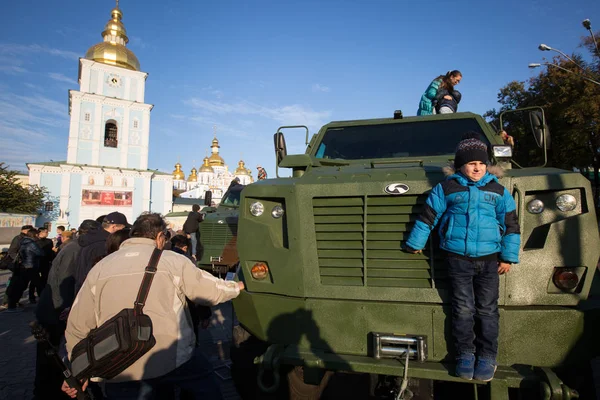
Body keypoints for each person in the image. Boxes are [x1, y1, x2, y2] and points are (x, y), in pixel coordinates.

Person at [62, 213, 244, 399]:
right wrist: (237, 287)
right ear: (159, 236)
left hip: (117, 363)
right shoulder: (172, 261)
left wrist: (78, 368)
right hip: (170, 356)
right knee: (206, 386)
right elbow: (210, 290)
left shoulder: (100, 267)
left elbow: (78, 322)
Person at [404, 133, 520, 382]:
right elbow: (428, 217)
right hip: (458, 259)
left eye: (480, 163)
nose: (476, 167)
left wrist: (508, 257)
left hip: (490, 261)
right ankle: (465, 354)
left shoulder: (498, 190)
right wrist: (416, 242)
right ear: (460, 166)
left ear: (487, 165)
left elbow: (511, 224)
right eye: (471, 163)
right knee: (463, 309)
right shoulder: (447, 188)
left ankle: (488, 356)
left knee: (488, 310)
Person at [33, 221, 95, 400]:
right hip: (54, 311)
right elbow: (64, 281)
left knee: (51, 354)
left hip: (53, 309)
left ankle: (48, 389)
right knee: (50, 355)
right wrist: (65, 308)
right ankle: (45, 392)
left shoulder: (73, 247)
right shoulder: (75, 250)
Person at [74, 211, 129, 294]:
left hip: (82, 289)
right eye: (123, 229)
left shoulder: (91, 240)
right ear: (114, 227)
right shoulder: (103, 245)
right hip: (92, 292)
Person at [6, 228, 44, 312]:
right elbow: (40, 253)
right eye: (37, 234)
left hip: (24, 266)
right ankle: (44, 304)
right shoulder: (31, 244)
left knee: (20, 286)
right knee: (38, 285)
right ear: (34, 235)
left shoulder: (24, 242)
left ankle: (12, 304)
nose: (39, 236)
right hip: (30, 267)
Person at [1, 224, 33, 310]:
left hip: (23, 265)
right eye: (29, 231)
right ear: (24, 230)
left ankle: (15, 300)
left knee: (21, 284)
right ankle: (6, 302)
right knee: (13, 283)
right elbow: (12, 251)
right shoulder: (18, 238)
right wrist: (20, 260)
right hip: (17, 265)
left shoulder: (27, 239)